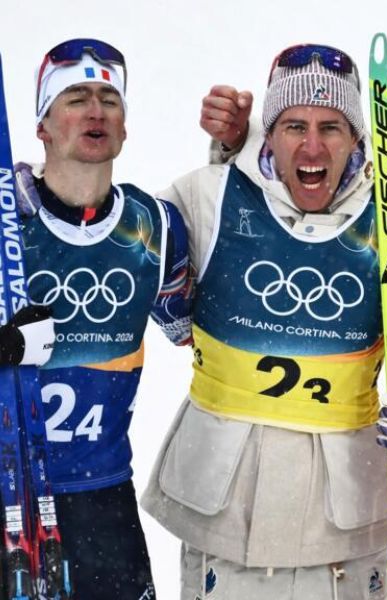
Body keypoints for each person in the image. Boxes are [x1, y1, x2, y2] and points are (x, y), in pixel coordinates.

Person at [140, 42, 387, 600]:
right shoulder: (206, 195)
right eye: (293, 126)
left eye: (332, 127)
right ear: (268, 134)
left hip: (341, 515)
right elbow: (119, 250)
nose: (312, 145)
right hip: (223, 500)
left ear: (357, 138)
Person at [6, 38, 193, 599]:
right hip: (13, 494)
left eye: (109, 98)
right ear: (42, 125)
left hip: (102, 499)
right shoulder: (6, 223)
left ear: (126, 125)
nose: (95, 111)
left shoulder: (154, 228)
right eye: (75, 97)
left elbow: (195, 328)